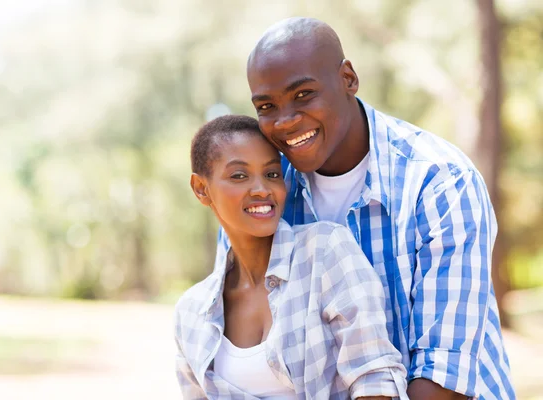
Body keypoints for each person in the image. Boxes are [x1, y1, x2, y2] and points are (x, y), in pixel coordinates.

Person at [214, 17, 514, 400]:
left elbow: (444, 376)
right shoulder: (262, 196)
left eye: (304, 95)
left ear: (348, 79)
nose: (286, 120)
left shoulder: (441, 182)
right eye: (267, 106)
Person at [174, 115, 409, 399]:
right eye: (239, 175)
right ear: (201, 189)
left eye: (272, 174)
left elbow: (375, 382)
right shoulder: (191, 313)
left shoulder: (324, 252)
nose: (262, 189)